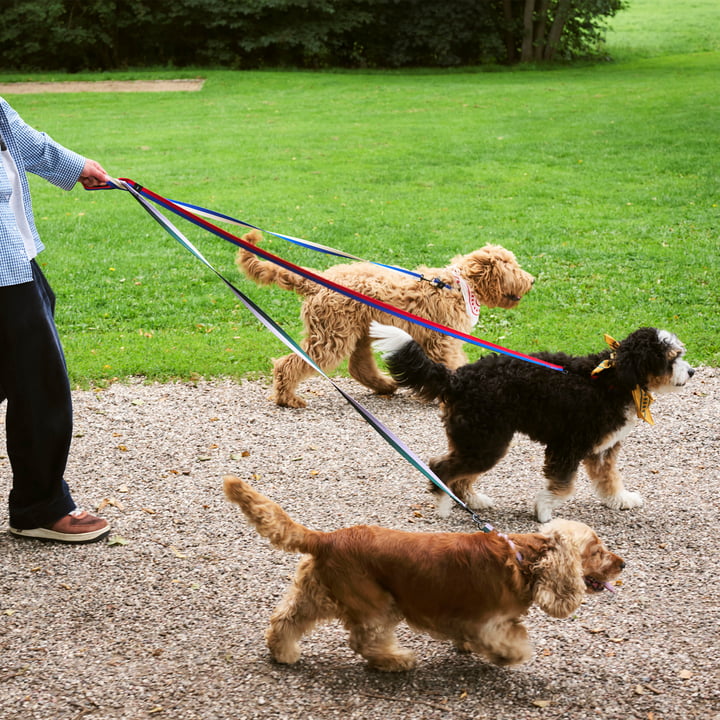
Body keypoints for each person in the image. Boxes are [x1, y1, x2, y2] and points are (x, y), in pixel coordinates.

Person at [0, 96, 111, 543]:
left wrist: (76, 165)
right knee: (39, 380)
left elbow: (19, 137)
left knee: (23, 371)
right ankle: (38, 506)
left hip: (14, 256)